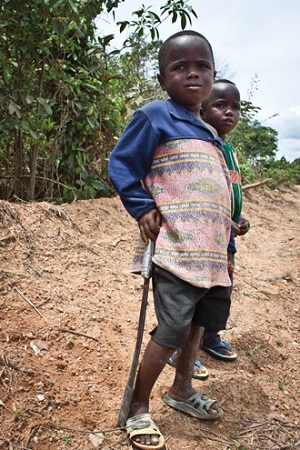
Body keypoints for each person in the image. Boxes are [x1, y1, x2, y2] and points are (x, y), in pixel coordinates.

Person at [108, 31, 232, 450]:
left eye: (202, 67)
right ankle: (139, 406)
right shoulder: (154, 116)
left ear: (214, 75)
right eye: (180, 67)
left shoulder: (210, 131)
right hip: (177, 249)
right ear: (163, 79)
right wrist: (143, 207)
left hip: (213, 254)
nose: (192, 74)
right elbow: (122, 163)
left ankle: (181, 390)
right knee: (173, 328)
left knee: (200, 325)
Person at [169, 79, 250, 371]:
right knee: (195, 292)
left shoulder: (229, 151)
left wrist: (237, 218)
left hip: (225, 237)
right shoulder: (200, 145)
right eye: (221, 105)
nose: (230, 112)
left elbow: (226, 194)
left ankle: (209, 336)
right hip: (202, 236)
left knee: (220, 289)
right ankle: (180, 347)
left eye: (236, 107)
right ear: (202, 109)